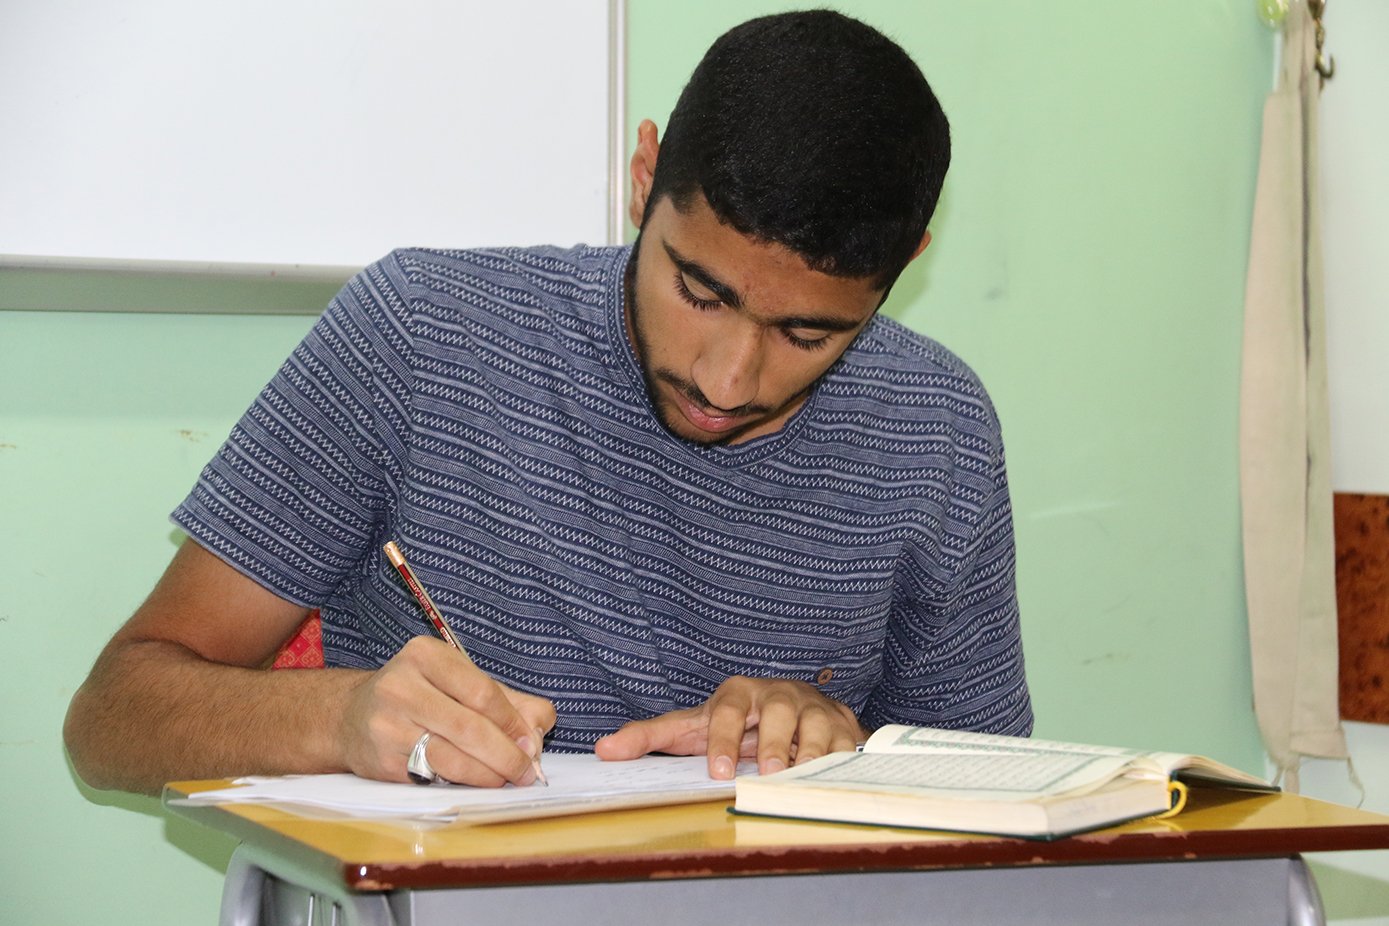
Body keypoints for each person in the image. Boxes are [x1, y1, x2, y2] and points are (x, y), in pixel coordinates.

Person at [65, 10, 1031, 797]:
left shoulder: (935, 426)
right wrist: (342, 717)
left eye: (806, 335)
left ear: (906, 264)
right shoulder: (423, 335)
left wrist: (849, 748)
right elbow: (112, 718)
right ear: (643, 178)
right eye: (699, 293)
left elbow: (993, 800)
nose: (726, 381)